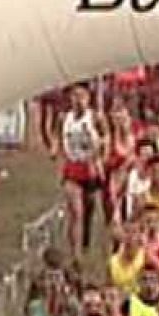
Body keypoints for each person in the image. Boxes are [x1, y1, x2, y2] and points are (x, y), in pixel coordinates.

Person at [58, 84, 104, 253]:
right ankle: (75, 253)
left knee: (89, 206)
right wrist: (58, 152)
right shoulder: (64, 118)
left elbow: (106, 137)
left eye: (81, 96)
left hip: (90, 167)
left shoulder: (95, 117)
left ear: (88, 98)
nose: (78, 100)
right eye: (74, 96)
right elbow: (59, 137)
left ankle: (86, 236)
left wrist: (99, 159)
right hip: (73, 168)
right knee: (76, 211)